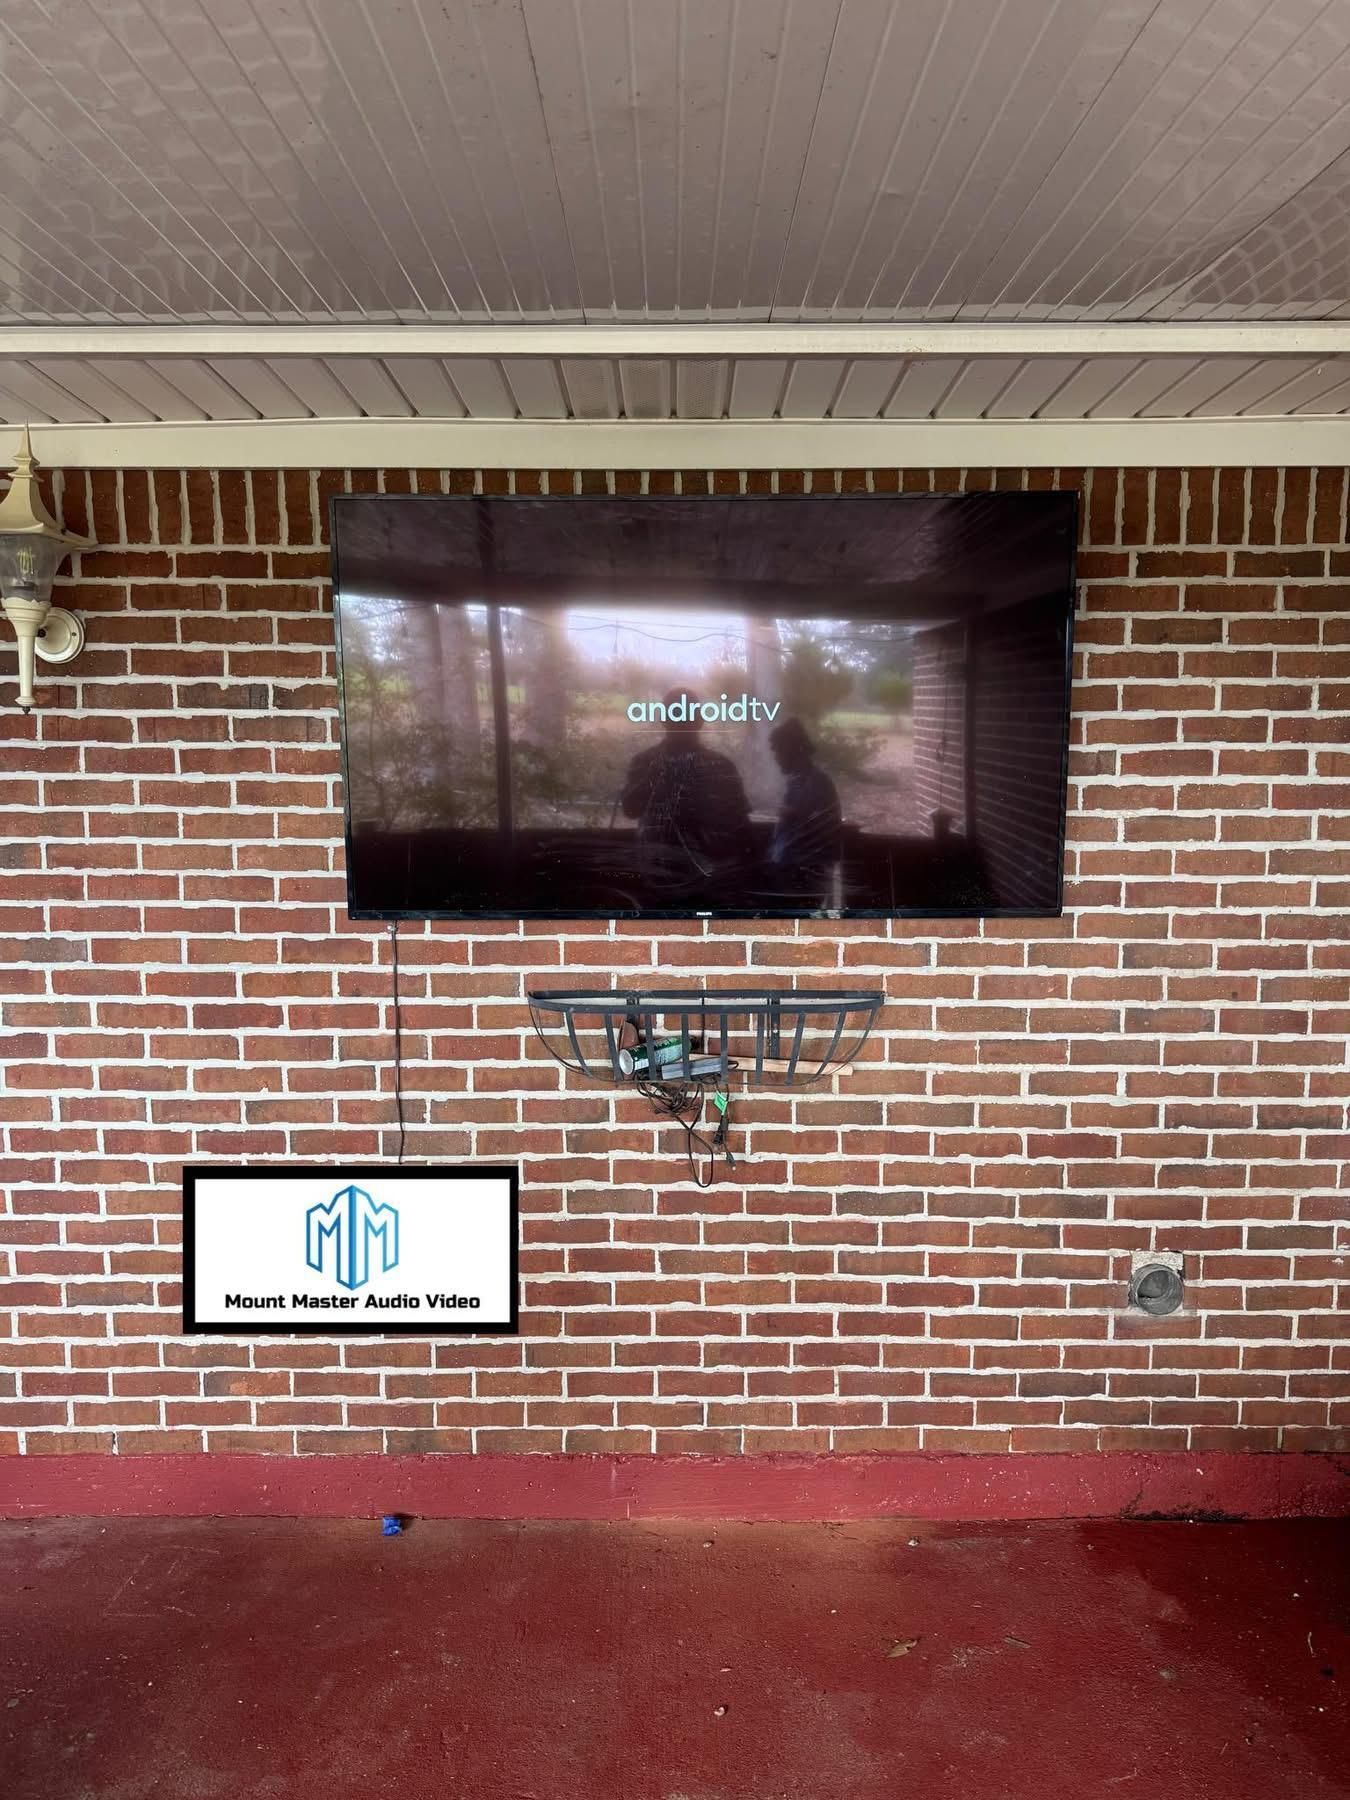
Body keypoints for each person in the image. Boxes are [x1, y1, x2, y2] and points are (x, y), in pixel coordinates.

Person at [620, 689, 752, 902]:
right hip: (656, 881)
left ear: (698, 721)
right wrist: (649, 780)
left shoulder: (721, 766)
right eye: (675, 717)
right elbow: (630, 809)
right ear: (664, 720)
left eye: (686, 717)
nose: (681, 725)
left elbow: (741, 827)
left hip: (711, 882)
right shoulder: (646, 762)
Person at [767, 717, 842, 906]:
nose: (775, 758)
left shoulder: (816, 784)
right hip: (790, 874)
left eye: (778, 751)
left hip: (801, 879)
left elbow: (821, 836)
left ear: (793, 749)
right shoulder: (799, 781)